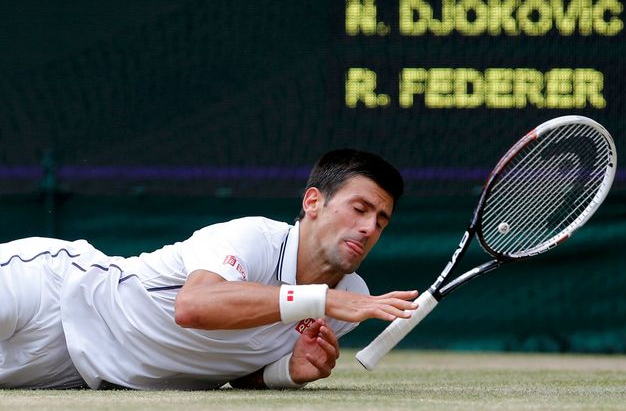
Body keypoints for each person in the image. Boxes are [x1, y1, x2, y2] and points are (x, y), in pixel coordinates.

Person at [0, 149, 418, 390]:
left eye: (381, 221)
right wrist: (322, 298)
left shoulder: (349, 298)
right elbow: (194, 307)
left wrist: (286, 372)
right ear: (312, 203)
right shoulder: (253, 237)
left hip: (75, 372)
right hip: (51, 294)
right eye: (360, 209)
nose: (368, 227)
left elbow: (235, 370)